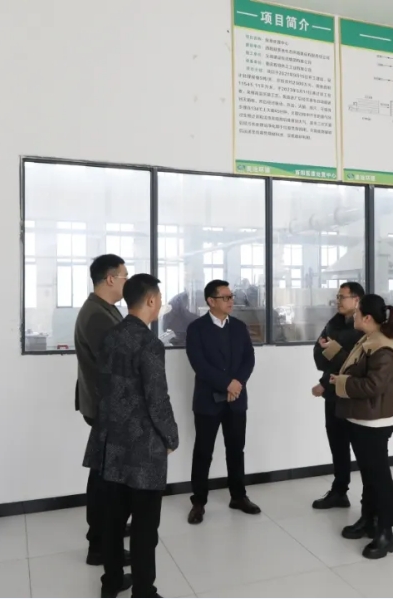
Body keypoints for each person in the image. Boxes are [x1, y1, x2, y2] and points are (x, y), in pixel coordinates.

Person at [83, 274, 179, 598]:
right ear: (151, 300)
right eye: (159, 298)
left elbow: (100, 386)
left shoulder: (110, 337)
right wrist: (171, 437)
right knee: (144, 526)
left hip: (110, 442)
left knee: (112, 521)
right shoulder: (149, 344)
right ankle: (143, 590)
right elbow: (157, 399)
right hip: (142, 449)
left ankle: (111, 582)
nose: (160, 303)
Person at [327, 294, 393, 560]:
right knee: (370, 475)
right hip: (362, 418)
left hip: (374, 422)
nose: (354, 315)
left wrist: (340, 383)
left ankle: (386, 533)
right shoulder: (369, 339)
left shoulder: (384, 348)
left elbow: (373, 386)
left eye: (358, 312)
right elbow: (356, 366)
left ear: (368, 318)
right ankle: (368, 520)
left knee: (378, 477)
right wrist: (334, 355)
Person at [185, 279, 260, 524]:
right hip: (208, 401)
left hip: (236, 399)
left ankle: (238, 496)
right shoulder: (196, 329)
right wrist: (227, 383)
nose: (231, 301)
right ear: (211, 301)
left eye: (231, 297)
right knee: (203, 452)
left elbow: (249, 358)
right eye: (225, 297)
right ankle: (198, 502)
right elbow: (199, 364)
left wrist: (237, 383)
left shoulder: (238, 326)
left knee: (236, 450)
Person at [73, 254, 131, 566]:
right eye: (124, 276)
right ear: (110, 279)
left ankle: (106, 531)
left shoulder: (106, 309)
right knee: (105, 481)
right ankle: (99, 545)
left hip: (106, 405)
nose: (127, 282)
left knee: (105, 474)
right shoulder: (97, 315)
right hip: (107, 407)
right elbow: (118, 365)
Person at [311, 281, 365, 509]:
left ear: (357, 300)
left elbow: (354, 366)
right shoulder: (333, 323)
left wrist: (325, 381)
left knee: (363, 449)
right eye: (338, 297)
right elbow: (319, 356)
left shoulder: (364, 327)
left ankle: (370, 500)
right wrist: (327, 378)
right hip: (333, 397)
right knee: (337, 445)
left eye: (343, 297)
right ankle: (339, 491)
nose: (338, 301)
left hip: (353, 396)